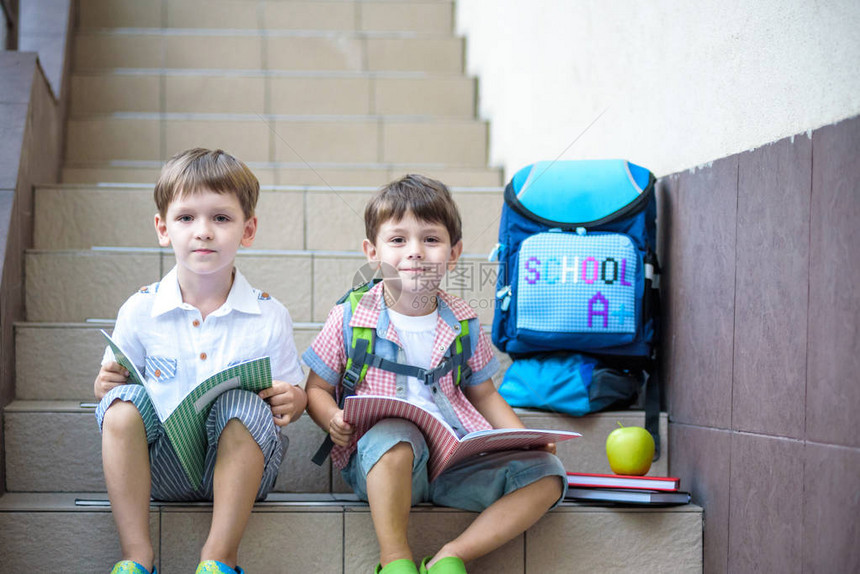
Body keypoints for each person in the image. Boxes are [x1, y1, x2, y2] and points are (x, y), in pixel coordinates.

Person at [303, 174, 567, 574]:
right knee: (396, 434)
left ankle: (452, 555)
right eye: (398, 240)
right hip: (381, 465)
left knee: (549, 476)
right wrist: (331, 418)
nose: (415, 252)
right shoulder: (350, 318)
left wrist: (526, 438)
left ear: (454, 252)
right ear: (372, 252)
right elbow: (316, 388)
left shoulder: (463, 321)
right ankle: (395, 560)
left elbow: (484, 394)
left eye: (430, 239)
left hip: (451, 463)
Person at [94, 148, 307, 574]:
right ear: (163, 228)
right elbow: (111, 385)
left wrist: (294, 401)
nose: (203, 231)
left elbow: (294, 396)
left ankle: (218, 560)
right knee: (121, 407)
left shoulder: (269, 316)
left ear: (248, 230)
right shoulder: (139, 310)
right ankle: (137, 558)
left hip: (244, 472)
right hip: (164, 471)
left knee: (241, 407)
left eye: (221, 219)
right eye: (187, 217)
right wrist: (106, 387)